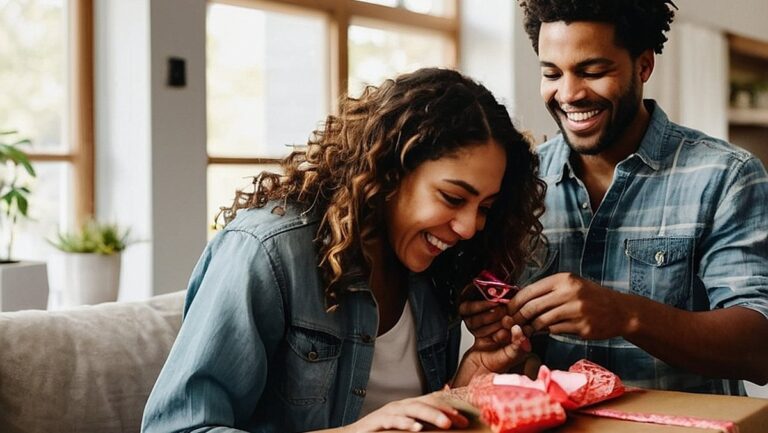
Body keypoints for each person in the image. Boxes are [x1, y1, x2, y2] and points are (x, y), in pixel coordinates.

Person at [141, 67, 547, 433]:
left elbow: (414, 419)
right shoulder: (268, 253)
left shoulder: (433, 266)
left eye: (485, 209)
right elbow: (176, 428)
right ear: (389, 172)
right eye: (453, 197)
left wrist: (470, 379)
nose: (469, 227)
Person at [463, 0, 768, 395]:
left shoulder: (727, 176)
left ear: (643, 66)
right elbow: (518, 350)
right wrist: (495, 325)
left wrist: (627, 315)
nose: (569, 93)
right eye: (552, 73)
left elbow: (759, 348)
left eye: (592, 71)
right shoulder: (520, 180)